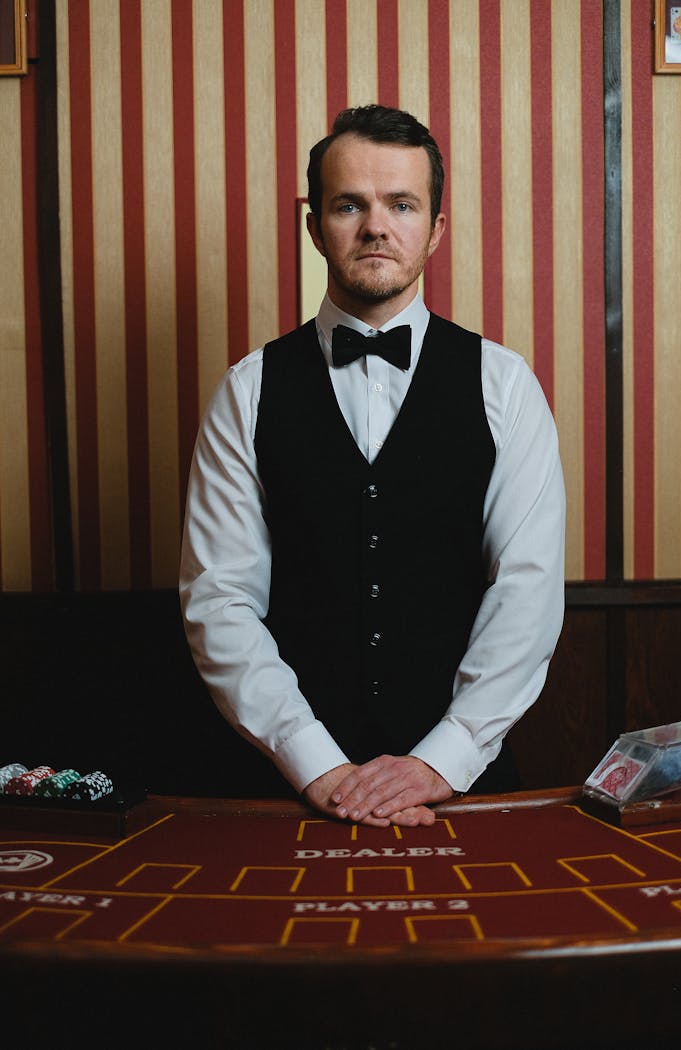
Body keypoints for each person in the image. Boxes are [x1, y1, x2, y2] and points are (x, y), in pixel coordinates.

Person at [179, 104, 565, 829]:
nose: (376, 227)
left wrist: (441, 759)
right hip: (281, 788)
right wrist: (316, 764)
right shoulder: (247, 390)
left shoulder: (506, 384)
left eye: (402, 205)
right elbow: (220, 599)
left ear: (436, 229)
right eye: (349, 205)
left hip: (463, 786)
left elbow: (528, 590)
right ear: (314, 226)